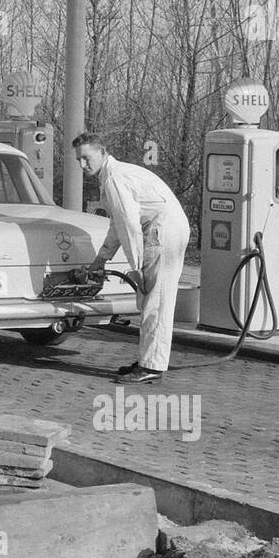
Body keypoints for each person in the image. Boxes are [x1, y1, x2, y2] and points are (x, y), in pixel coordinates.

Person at [72, 131, 190, 384]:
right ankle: (150, 360)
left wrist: (136, 267)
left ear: (102, 152)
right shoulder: (114, 176)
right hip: (167, 229)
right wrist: (101, 259)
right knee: (153, 301)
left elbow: (129, 227)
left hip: (162, 233)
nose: (83, 165)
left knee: (155, 302)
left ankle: (151, 366)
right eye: (78, 160)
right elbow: (118, 224)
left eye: (86, 158)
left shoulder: (115, 179)